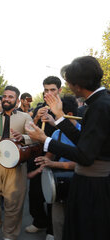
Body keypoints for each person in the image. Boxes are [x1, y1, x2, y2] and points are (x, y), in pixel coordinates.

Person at [26, 56, 110, 240]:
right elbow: (84, 141)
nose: (69, 87)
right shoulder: (99, 102)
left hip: (93, 188)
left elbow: (85, 156)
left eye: (68, 83)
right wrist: (60, 117)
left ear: (77, 85)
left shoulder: (100, 107)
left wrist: (46, 140)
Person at [0, 86, 33, 240]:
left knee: (13, 201)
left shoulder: (24, 117)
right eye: (5, 96)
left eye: (10, 97)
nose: (6, 99)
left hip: (16, 166)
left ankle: (9, 232)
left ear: (17, 100)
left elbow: (35, 137)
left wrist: (23, 137)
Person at [28, 95, 79, 240]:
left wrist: (54, 164)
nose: (52, 118)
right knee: (58, 222)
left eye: (55, 113)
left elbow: (84, 162)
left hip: (77, 184)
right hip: (59, 184)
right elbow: (49, 157)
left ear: (68, 114)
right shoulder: (57, 132)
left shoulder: (84, 133)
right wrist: (38, 168)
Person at [26, 76, 62, 239]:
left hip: (57, 157)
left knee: (53, 194)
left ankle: (52, 230)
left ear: (59, 90)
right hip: (37, 155)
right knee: (34, 193)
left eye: (52, 90)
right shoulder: (39, 107)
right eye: (46, 90)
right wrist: (35, 118)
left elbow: (71, 134)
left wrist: (55, 121)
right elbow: (29, 132)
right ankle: (39, 221)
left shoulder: (66, 106)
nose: (49, 93)